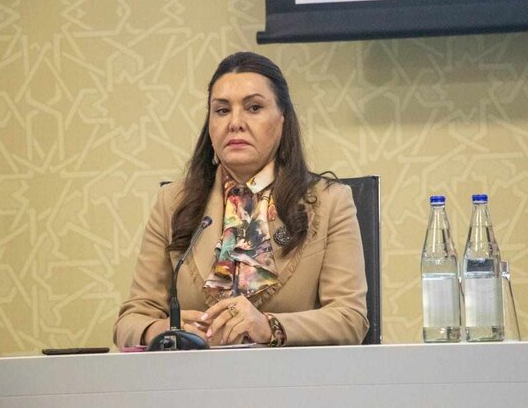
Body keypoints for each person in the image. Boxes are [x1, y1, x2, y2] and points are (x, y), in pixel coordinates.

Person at [113, 52, 368, 348]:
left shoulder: (329, 202)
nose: (235, 123)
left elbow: (350, 319)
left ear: (282, 119)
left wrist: (269, 326)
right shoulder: (172, 203)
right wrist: (164, 329)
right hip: (197, 375)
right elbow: (131, 321)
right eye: (222, 110)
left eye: (254, 108)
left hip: (291, 374)